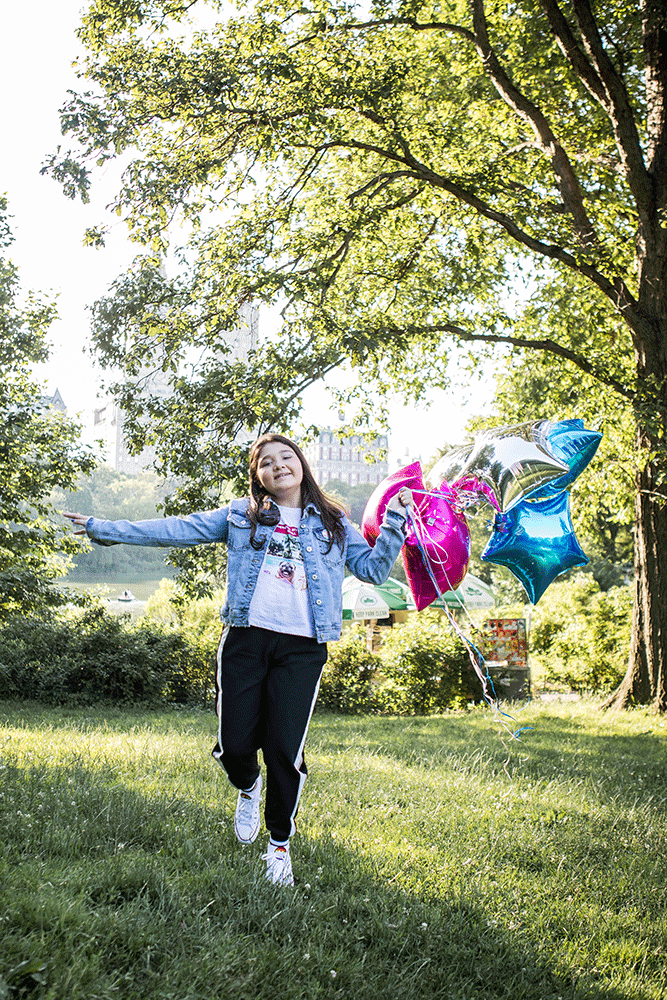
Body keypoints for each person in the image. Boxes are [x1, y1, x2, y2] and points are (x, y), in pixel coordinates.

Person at [64, 433, 412, 887]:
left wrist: (395, 521)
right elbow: (177, 529)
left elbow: (372, 570)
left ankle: (279, 845)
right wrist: (107, 528)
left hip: (303, 649)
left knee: (286, 752)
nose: (279, 465)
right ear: (258, 477)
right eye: (266, 462)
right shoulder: (239, 516)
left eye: (286, 457)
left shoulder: (333, 522)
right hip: (245, 641)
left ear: (302, 465)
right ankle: (248, 786)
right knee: (234, 746)